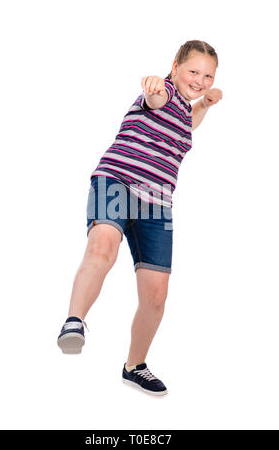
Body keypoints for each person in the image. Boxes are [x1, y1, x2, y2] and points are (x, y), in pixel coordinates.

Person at [57, 40, 222, 396]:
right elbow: (155, 98)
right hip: (118, 181)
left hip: (158, 201)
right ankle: (74, 321)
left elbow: (186, 124)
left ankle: (135, 366)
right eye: (193, 71)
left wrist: (205, 105)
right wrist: (152, 85)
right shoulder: (161, 91)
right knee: (103, 246)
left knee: (156, 295)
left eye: (207, 75)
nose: (200, 79)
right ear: (175, 65)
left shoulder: (184, 109)